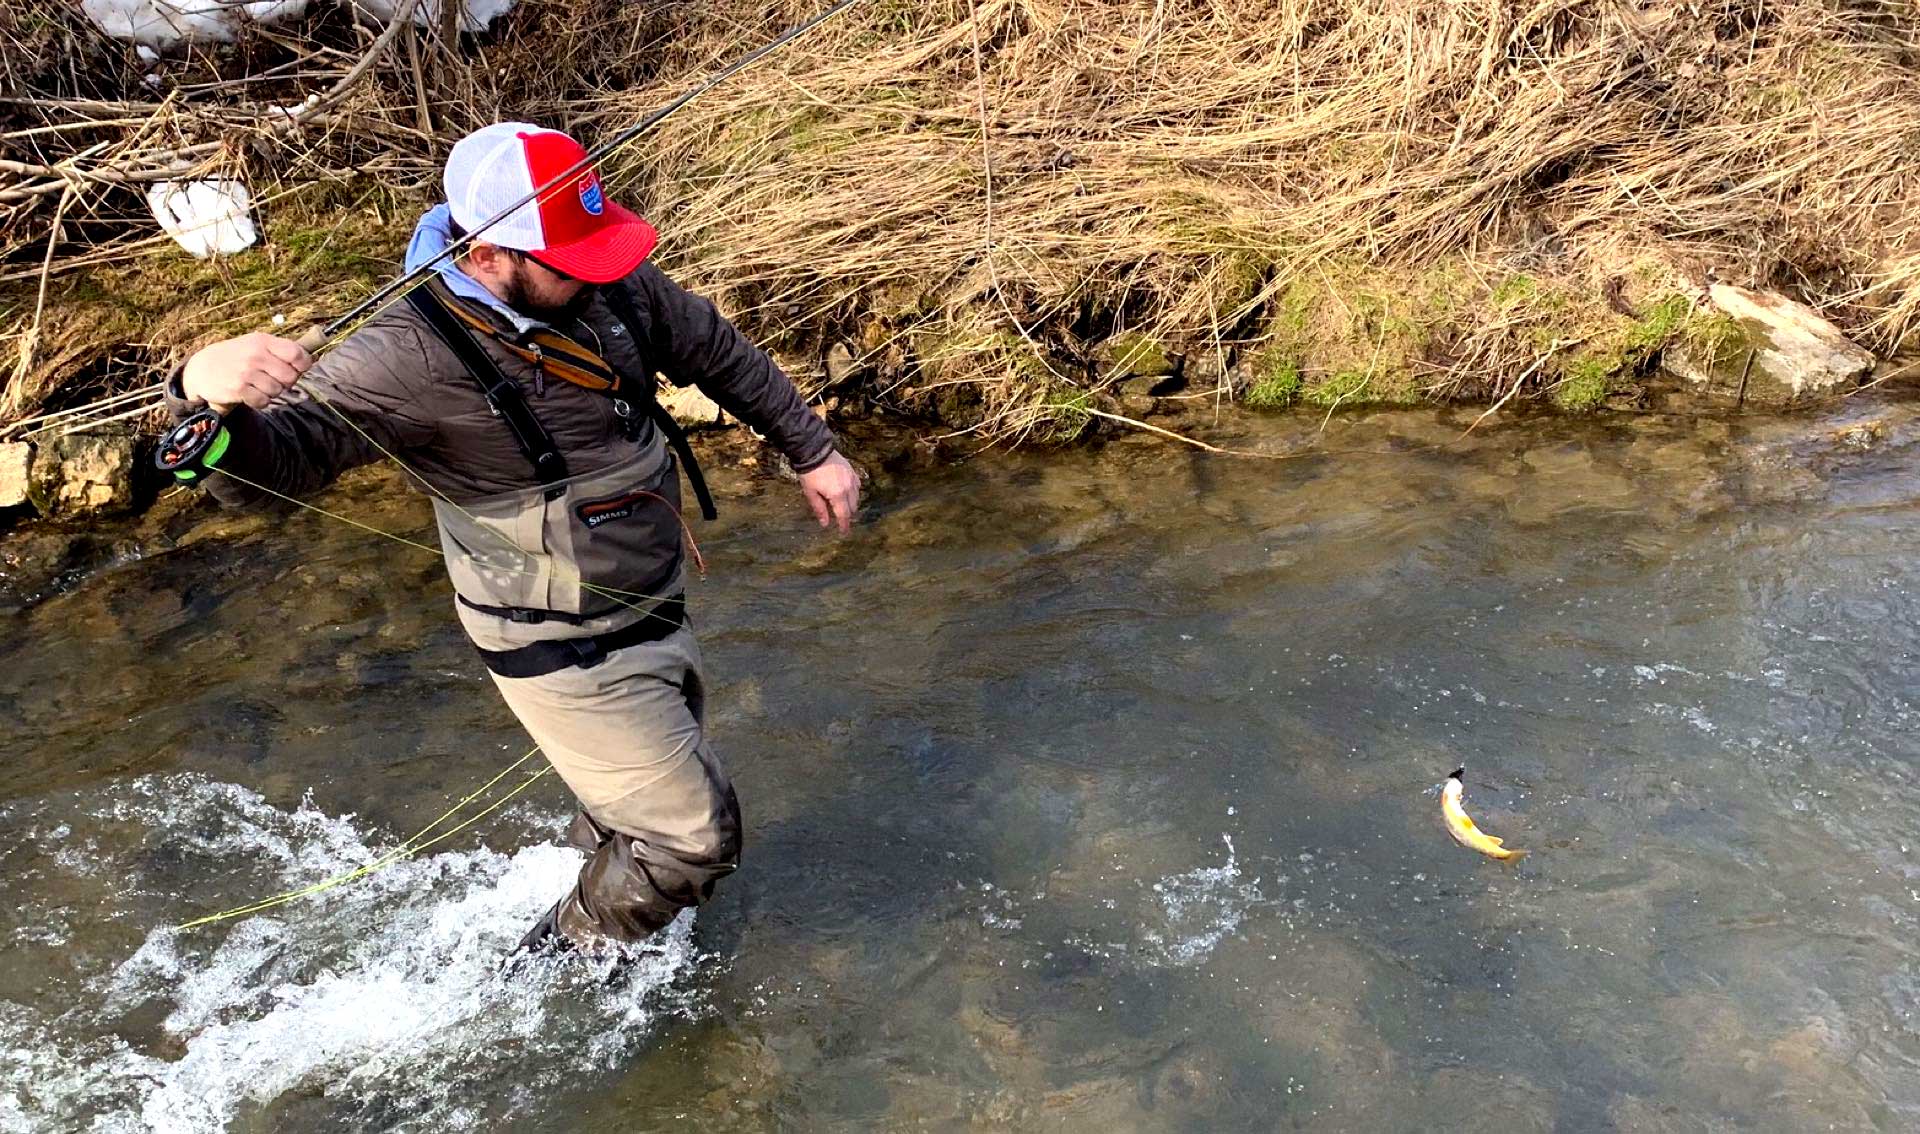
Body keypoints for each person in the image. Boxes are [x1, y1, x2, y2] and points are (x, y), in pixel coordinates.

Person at [166, 122, 862, 951]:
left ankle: (606, 904)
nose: (600, 274)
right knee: (693, 838)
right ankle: (552, 976)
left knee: (641, 815)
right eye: (573, 262)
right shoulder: (403, 358)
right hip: (558, 645)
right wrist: (198, 393)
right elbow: (272, 468)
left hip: (648, 601)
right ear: (489, 255)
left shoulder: (599, 277)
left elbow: (712, 345)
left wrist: (812, 450)